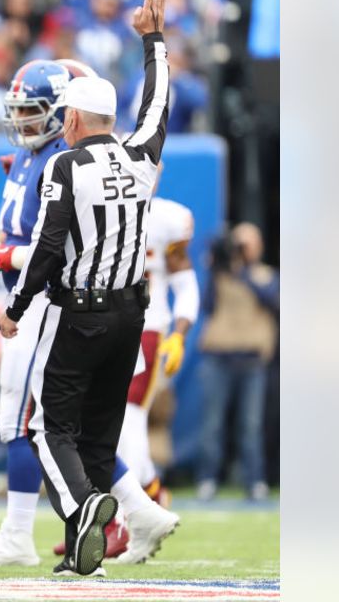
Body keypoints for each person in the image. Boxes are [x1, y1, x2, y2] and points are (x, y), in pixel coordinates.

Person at [0, 58, 178, 569]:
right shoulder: (134, 155)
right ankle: (115, 529)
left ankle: (68, 516)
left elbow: (50, 245)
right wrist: (155, 44)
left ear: (69, 117)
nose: (24, 121)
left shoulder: (65, 164)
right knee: (93, 430)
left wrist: (10, 297)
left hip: (67, 308)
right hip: (127, 312)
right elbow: (157, 107)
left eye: (37, 112)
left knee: (38, 425)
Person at [117, 190, 199, 509]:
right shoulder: (92, 205)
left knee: (130, 412)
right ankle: (150, 490)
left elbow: (185, 283)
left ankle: (130, 510)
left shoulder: (167, 219)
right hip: (101, 322)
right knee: (103, 417)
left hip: (147, 324)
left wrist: (178, 334)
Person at [196, 222, 278, 501]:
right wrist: (216, 267)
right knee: (212, 423)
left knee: (250, 425)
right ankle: (208, 479)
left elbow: (273, 300)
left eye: (247, 244)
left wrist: (242, 270)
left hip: (252, 360)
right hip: (219, 356)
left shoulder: (265, 276)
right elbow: (206, 306)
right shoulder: (221, 276)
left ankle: (255, 480)